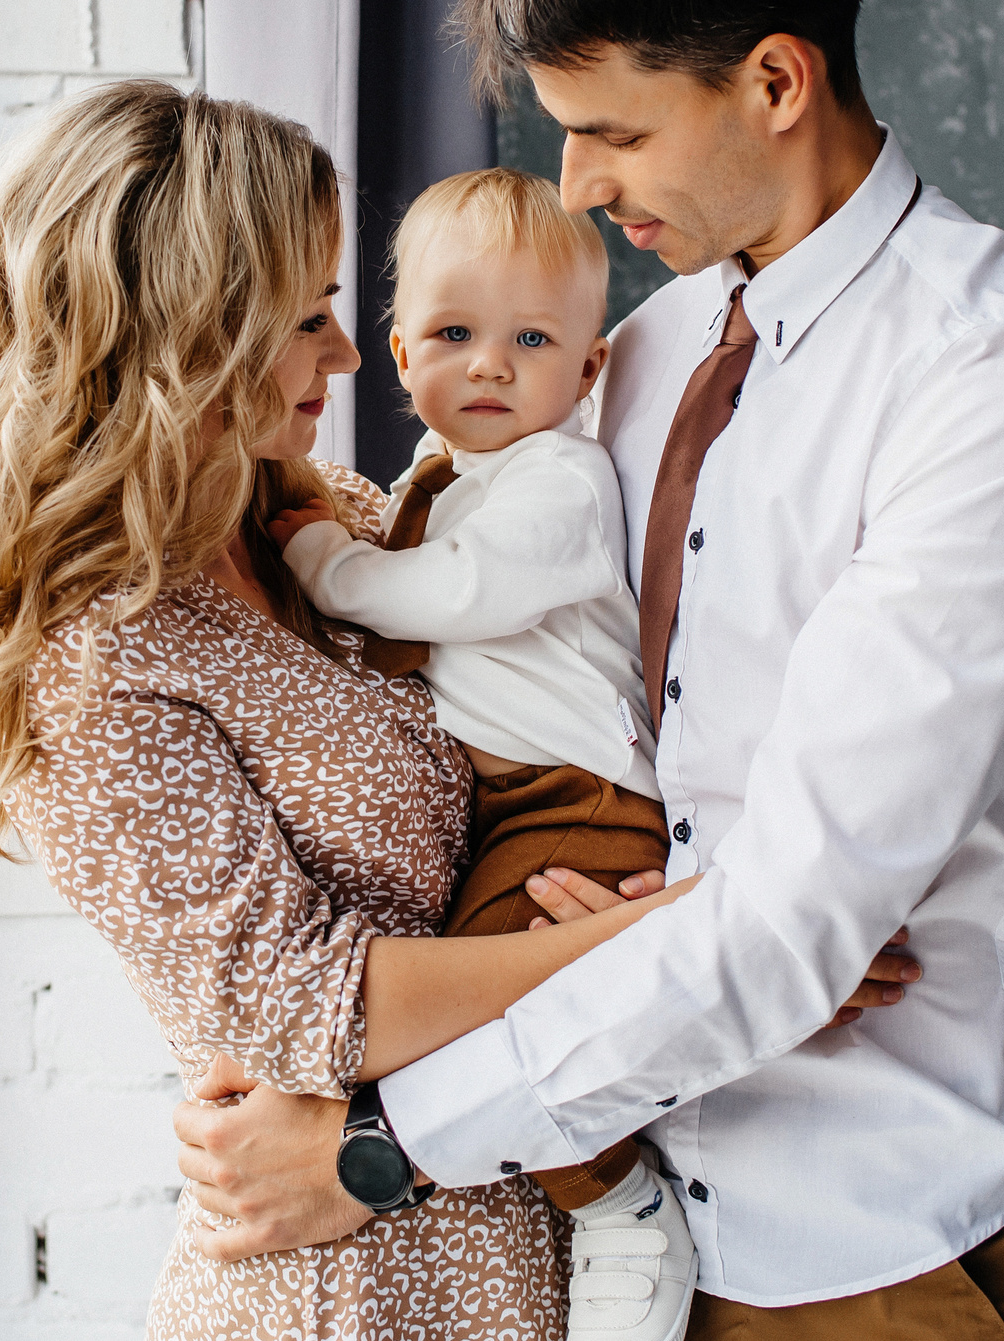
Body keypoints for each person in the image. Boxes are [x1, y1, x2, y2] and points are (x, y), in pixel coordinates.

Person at [174, 0, 1004, 1341]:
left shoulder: (1000, 381)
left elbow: (790, 925)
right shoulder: (632, 351)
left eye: (611, 131)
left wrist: (379, 1148)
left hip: (861, 1244)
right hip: (583, 1235)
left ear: (775, 79)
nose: (574, 187)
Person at [0, 81, 915, 1341]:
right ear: (186, 339)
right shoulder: (95, 663)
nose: (354, 355)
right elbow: (305, 1008)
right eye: (305, 319)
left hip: (510, 1212)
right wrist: (705, 946)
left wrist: (710, 950)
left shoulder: (336, 516)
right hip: (355, 1291)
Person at [271, 167, 697, 1337]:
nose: (492, 365)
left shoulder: (559, 481)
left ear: (590, 367)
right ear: (401, 352)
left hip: (577, 796)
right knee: (480, 999)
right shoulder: (437, 479)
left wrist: (319, 558)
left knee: (487, 1015)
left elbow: (448, 594)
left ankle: (617, 1202)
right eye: (455, 333)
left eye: (532, 338)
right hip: (513, 797)